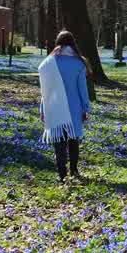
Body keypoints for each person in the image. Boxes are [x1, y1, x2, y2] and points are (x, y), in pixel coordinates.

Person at [38, 30, 91, 182]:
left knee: (58, 141)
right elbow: (82, 89)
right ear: (73, 43)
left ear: (58, 43)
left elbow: (45, 91)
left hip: (54, 106)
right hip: (74, 107)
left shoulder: (49, 63)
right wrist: (86, 108)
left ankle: (62, 174)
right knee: (73, 139)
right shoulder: (79, 63)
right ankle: (74, 171)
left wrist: (43, 109)